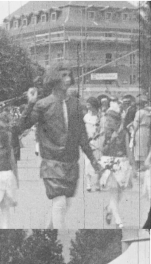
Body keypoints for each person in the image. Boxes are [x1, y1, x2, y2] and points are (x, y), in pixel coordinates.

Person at [17, 63, 102, 228]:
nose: (68, 79)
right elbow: (21, 127)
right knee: (60, 203)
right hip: (52, 163)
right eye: (63, 75)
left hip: (71, 163)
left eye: (69, 75)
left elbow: (82, 136)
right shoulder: (42, 105)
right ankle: (57, 237)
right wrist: (30, 103)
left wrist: (93, 161)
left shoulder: (76, 105)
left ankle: (47, 230)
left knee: (64, 204)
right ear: (54, 78)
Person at [98, 109, 134, 228]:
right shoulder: (105, 133)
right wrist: (111, 139)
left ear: (117, 121)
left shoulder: (125, 133)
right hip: (109, 164)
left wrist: (133, 166)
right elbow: (101, 150)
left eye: (110, 120)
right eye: (106, 120)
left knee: (120, 193)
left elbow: (128, 150)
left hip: (122, 163)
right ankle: (119, 221)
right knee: (113, 193)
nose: (107, 123)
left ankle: (109, 209)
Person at [83, 97, 102, 192]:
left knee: (97, 161)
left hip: (97, 141)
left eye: (89, 104)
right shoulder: (86, 116)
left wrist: (95, 136)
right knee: (87, 163)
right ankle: (88, 184)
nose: (88, 106)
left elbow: (100, 130)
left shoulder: (99, 117)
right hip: (87, 142)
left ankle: (97, 183)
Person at [131, 96, 150, 176]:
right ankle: (144, 164)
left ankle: (140, 165)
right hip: (147, 130)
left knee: (138, 146)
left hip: (140, 130)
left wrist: (133, 134)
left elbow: (136, 124)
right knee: (145, 146)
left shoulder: (139, 112)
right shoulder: (148, 113)